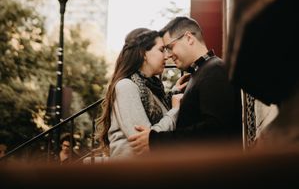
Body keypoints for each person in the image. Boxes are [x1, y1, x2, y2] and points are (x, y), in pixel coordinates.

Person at [128, 16, 242, 155]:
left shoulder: (215, 70)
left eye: (169, 47)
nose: (168, 56)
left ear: (188, 38)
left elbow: (215, 131)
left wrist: (156, 141)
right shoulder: (201, 72)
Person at [97, 28, 184, 158]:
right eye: (161, 50)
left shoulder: (151, 90)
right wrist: (175, 110)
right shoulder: (126, 86)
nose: (167, 56)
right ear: (143, 53)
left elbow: (155, 129)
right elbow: (145, 143)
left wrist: (174, 93)